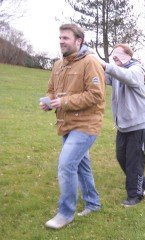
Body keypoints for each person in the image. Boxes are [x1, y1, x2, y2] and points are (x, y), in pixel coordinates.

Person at [40, 24, 105, 229]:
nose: (61, 41)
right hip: (66, 124)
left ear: (78, 41)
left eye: (66, 38)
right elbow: (51, 91)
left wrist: (65, 102)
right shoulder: (58, 65)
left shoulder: (90, 62)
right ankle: (93, 203)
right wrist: (48, 102)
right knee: (81, 166)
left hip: (86, 124)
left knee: (66, 164)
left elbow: (96, 95)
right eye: (60, 37)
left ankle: (65, 213)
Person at [103, 43, 145, 207]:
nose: (114, 57)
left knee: (134, 160)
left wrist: (105, 65)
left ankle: (135, 194)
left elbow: (127, 77)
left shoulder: (136, 69)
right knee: (121, 156)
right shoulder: (118, 69)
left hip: (138, 123)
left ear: (128, 55)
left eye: (118, 54)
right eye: (113, 55)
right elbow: (106, 77)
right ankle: (143, 182)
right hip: (123, 124)